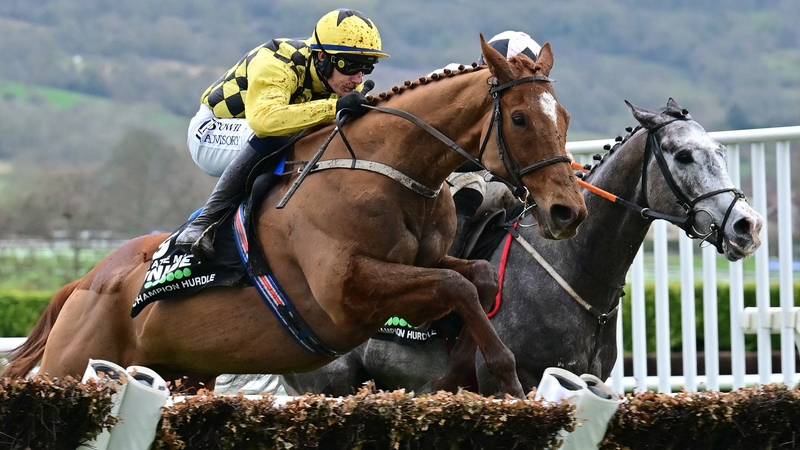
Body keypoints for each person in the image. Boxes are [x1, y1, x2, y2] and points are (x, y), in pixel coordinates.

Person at [177, 8, 389, 260]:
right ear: (322, 56)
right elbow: (265, 122)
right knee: (282, 134)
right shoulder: (278, 61)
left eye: (366, 68)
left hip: (254, 135)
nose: (357, 79)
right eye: (350, 66)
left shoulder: (331, 79)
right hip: (212, 132)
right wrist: (334, 107)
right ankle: (203, 224)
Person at [446, 31, 542, 257]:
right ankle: (442, 267)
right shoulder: (451, 82)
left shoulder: (529, 108)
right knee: (470, 185)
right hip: (438, 184)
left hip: (488, 180)